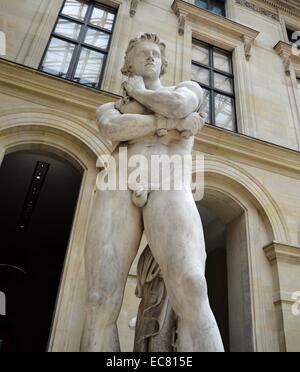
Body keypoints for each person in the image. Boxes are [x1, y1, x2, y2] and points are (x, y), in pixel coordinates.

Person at [80, 33, 224, 352]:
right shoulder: (109, 108)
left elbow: (180, 104)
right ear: (127, 63)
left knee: (190, 283)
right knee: (98, 297)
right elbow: (114, 129)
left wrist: (146, 100)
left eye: (156, 54)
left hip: (169, 180)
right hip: (118, 182)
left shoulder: (187, 89)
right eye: (142, 53)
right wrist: (172, 124)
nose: (150, 58)